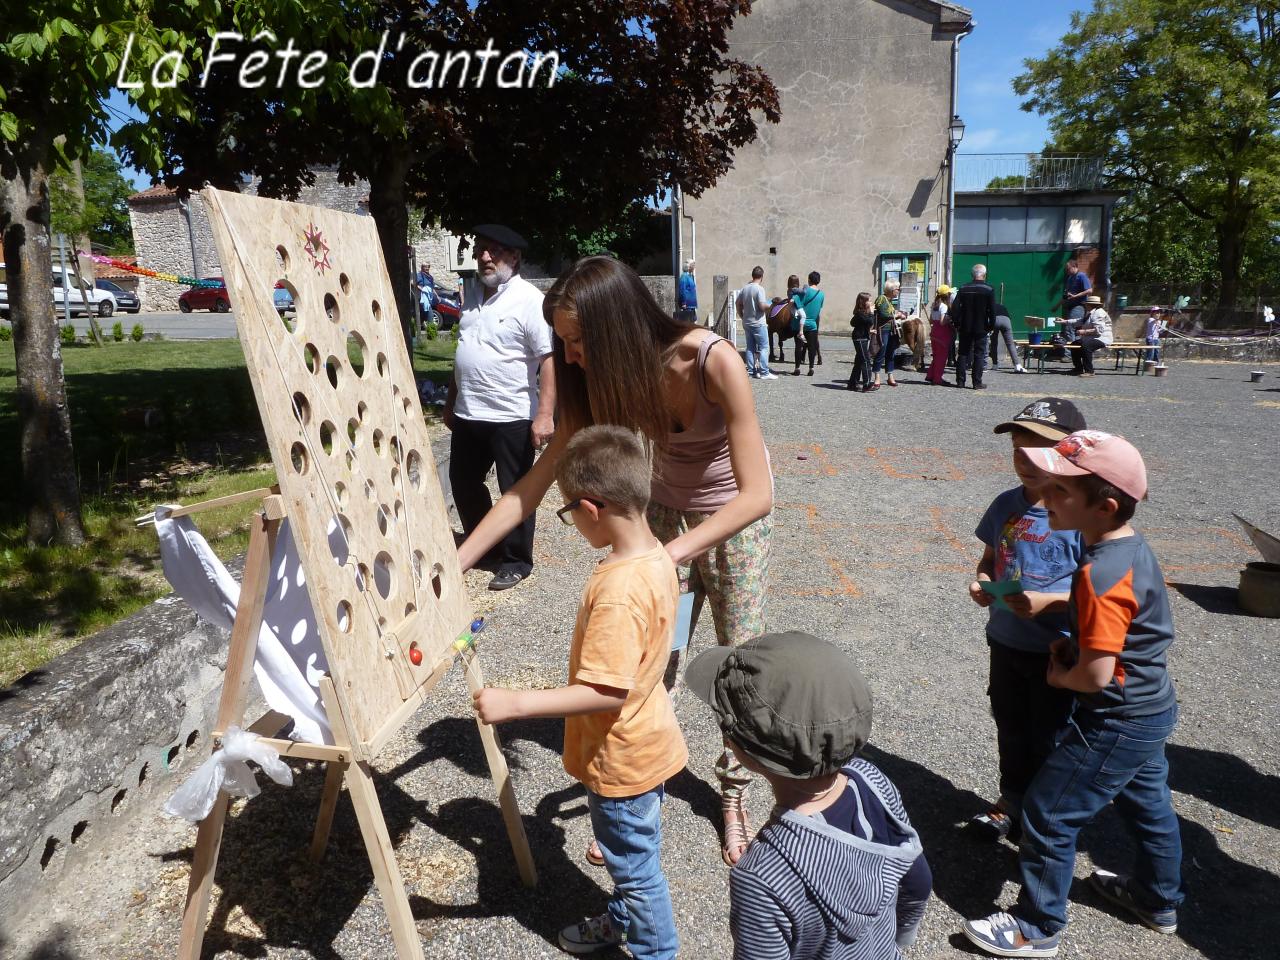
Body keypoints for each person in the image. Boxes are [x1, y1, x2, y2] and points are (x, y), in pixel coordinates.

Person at [456, 255, 773, 866]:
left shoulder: (712, 361)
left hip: (729, 530)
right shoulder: (601, 378)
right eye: (565, 343)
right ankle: (636, 799)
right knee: (657, 659)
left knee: (737, 663)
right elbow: (530, 488)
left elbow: (757, 494)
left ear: (614, 330)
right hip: (659, 520)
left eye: (578, 342)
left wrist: (667, 555)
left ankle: (734, 795)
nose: (569, 358)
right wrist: (458, 560)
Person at [964, 430, 1183, 958]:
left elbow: (1095, 678)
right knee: (1150, 806)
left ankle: (1038, 926)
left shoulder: (1098, 574)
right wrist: (1074, 644)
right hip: (1151, 705)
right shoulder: (1130, 550)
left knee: (1049, 812)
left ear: (1104, 506)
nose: (1047, 498)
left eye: (1061, 492)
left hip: (1115, 717)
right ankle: (1157, 900)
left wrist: (1062, 676)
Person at [474, 425, 686, 958]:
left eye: (568, 514)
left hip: (621, 761)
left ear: (592, 509)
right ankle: (622, 920)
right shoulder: (657, 555)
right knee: (631, 858)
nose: (571, 524)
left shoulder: (618, 591)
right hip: (647, 743)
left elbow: (606, 691)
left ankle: (655, 951)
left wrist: (516, 703)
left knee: (637, 872)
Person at [686, 632, 932, 960]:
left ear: (742, 751)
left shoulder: (762, 876)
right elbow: (918, 880)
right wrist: (899, 942)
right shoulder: (875, 783)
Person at [966, 398, 1087, 843]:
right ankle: (1011, 799)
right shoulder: (1005, 505)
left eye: (1041, 453)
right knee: (1011, 725)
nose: (1026, 463)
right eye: (1019, 452)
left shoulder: (1080, 515)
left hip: (1058, 649)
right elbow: (989, 559)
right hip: (1007, 640)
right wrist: (982, 583)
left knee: (1051, 737)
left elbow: (1098, 594)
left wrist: (1049, 603)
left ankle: (1044, 818)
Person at [444, 224, 555, 591]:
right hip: (468, 413)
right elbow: (463, 355)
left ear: (515, 256)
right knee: (463, 481)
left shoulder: (529, 300)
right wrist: (450, 401)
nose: (485, 257)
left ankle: (517, 559)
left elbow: (548, 359)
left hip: (510, 415)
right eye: (480, 250)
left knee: (516, 490)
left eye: (494, 251)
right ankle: (486, 546)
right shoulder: (472, 296)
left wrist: (544, 414)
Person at [950, 263, 996, 390]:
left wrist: (957, 323)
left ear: (972, 275)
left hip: (965, 326)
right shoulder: (989, 289)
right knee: (979, 354)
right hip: (981, 327)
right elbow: (992, 310)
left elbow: (954, 308)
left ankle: (960, 381)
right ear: (985, 275)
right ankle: (977, 382)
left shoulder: (963, 288)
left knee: (963, 353)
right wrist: (991, 325)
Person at [737, 266, 777, 380]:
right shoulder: (760, 289)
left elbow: (738, 303)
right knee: (764, 347)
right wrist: (771, 305)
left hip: (747, 322)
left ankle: (751, 371)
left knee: (750, 347)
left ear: (752, 275)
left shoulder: (745, 288)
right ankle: (764, 372)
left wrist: (742, 315)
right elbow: (761, 306)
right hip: (758, 322)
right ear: (762, 277)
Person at [1070, 295, 1113, 377]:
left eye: (1086, 304)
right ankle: (1078, 368)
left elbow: (1099, 330)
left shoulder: (1099, 313)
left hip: (1102, 338)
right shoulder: (1090, 312)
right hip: (1093, 337)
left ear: (1090, 304)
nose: (1085, 305)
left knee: (1087, 346)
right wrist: (1064, 321)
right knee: (1074, 344)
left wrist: (1084, 331)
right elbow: (1080, 321)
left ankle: (1089, 371)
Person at [871, 279, 903, 388]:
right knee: (881, 352)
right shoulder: (881, 298)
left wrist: (896, 313)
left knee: (891, 353)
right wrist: (897, 315)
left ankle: (890, 375)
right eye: (898, 289)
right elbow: (884, 314)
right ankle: (877, 376)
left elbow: (890, 313)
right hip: (883, 330)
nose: (899, 291)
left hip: (891, 330)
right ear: (892, 289)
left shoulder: (890, 300)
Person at [791, 271, 824, 376]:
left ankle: (797, 368)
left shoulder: (805, 291)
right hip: (813, 324)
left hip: (800, 323)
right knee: (812, 347)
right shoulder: (821, 294)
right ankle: (811, 367)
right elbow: (819, 308)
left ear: (809, 279)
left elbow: (794, 300)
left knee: (798, 346)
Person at [847, 291, 877, 392]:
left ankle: (852, 383)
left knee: (859, 361)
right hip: (860, 339)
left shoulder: (863, 313)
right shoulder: (860, 313)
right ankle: (867, 384)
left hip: (863, 337)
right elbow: (869, 321)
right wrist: (872, 312)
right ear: (863, 302)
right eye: (869, 300)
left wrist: (869, 330)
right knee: (866, 360)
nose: (871, 302)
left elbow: (863, 324)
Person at [925, 284, 952, 386]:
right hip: (942, 333)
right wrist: (949, 319)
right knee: (941, 358)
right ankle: (937, 379)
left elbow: (931, 320)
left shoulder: (934, 305)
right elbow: (942, 322)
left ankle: (930, 375)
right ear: (946, 295)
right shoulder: (944, 306)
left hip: (934, 332)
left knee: (936, 356)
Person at [988, 301, 1026, 373]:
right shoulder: (1002, 306)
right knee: (1010, 343)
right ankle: (1017, 365)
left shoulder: (989, 306)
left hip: (995, 320)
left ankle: (995, 364)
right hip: (1006, 320)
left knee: (994, 342)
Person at [416, 264, 437, 328]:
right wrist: (423, 289)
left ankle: (419, 326)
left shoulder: (430, 277)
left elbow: (432, 287)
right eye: (425, 267)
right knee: (429, 312)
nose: (427, 268)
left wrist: (437, 295)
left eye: (428, 267)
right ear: (422, 267)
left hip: (429, 297)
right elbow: (413, 283)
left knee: (424, 313)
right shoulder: (419, 275)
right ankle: (431, 328)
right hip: (422, 297)